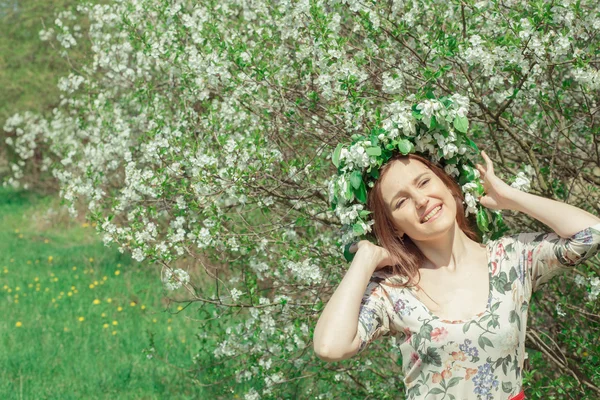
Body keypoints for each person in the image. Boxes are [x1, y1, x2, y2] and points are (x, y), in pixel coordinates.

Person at [313, 151, 600, 400]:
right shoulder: (393, 290)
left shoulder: (512, 258)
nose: (421, 200)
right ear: (395, 226)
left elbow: (591, 235)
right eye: (401, 202)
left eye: (424, 182)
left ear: (448, 184)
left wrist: (510, 197)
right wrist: (365, 258)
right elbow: (329, 346)